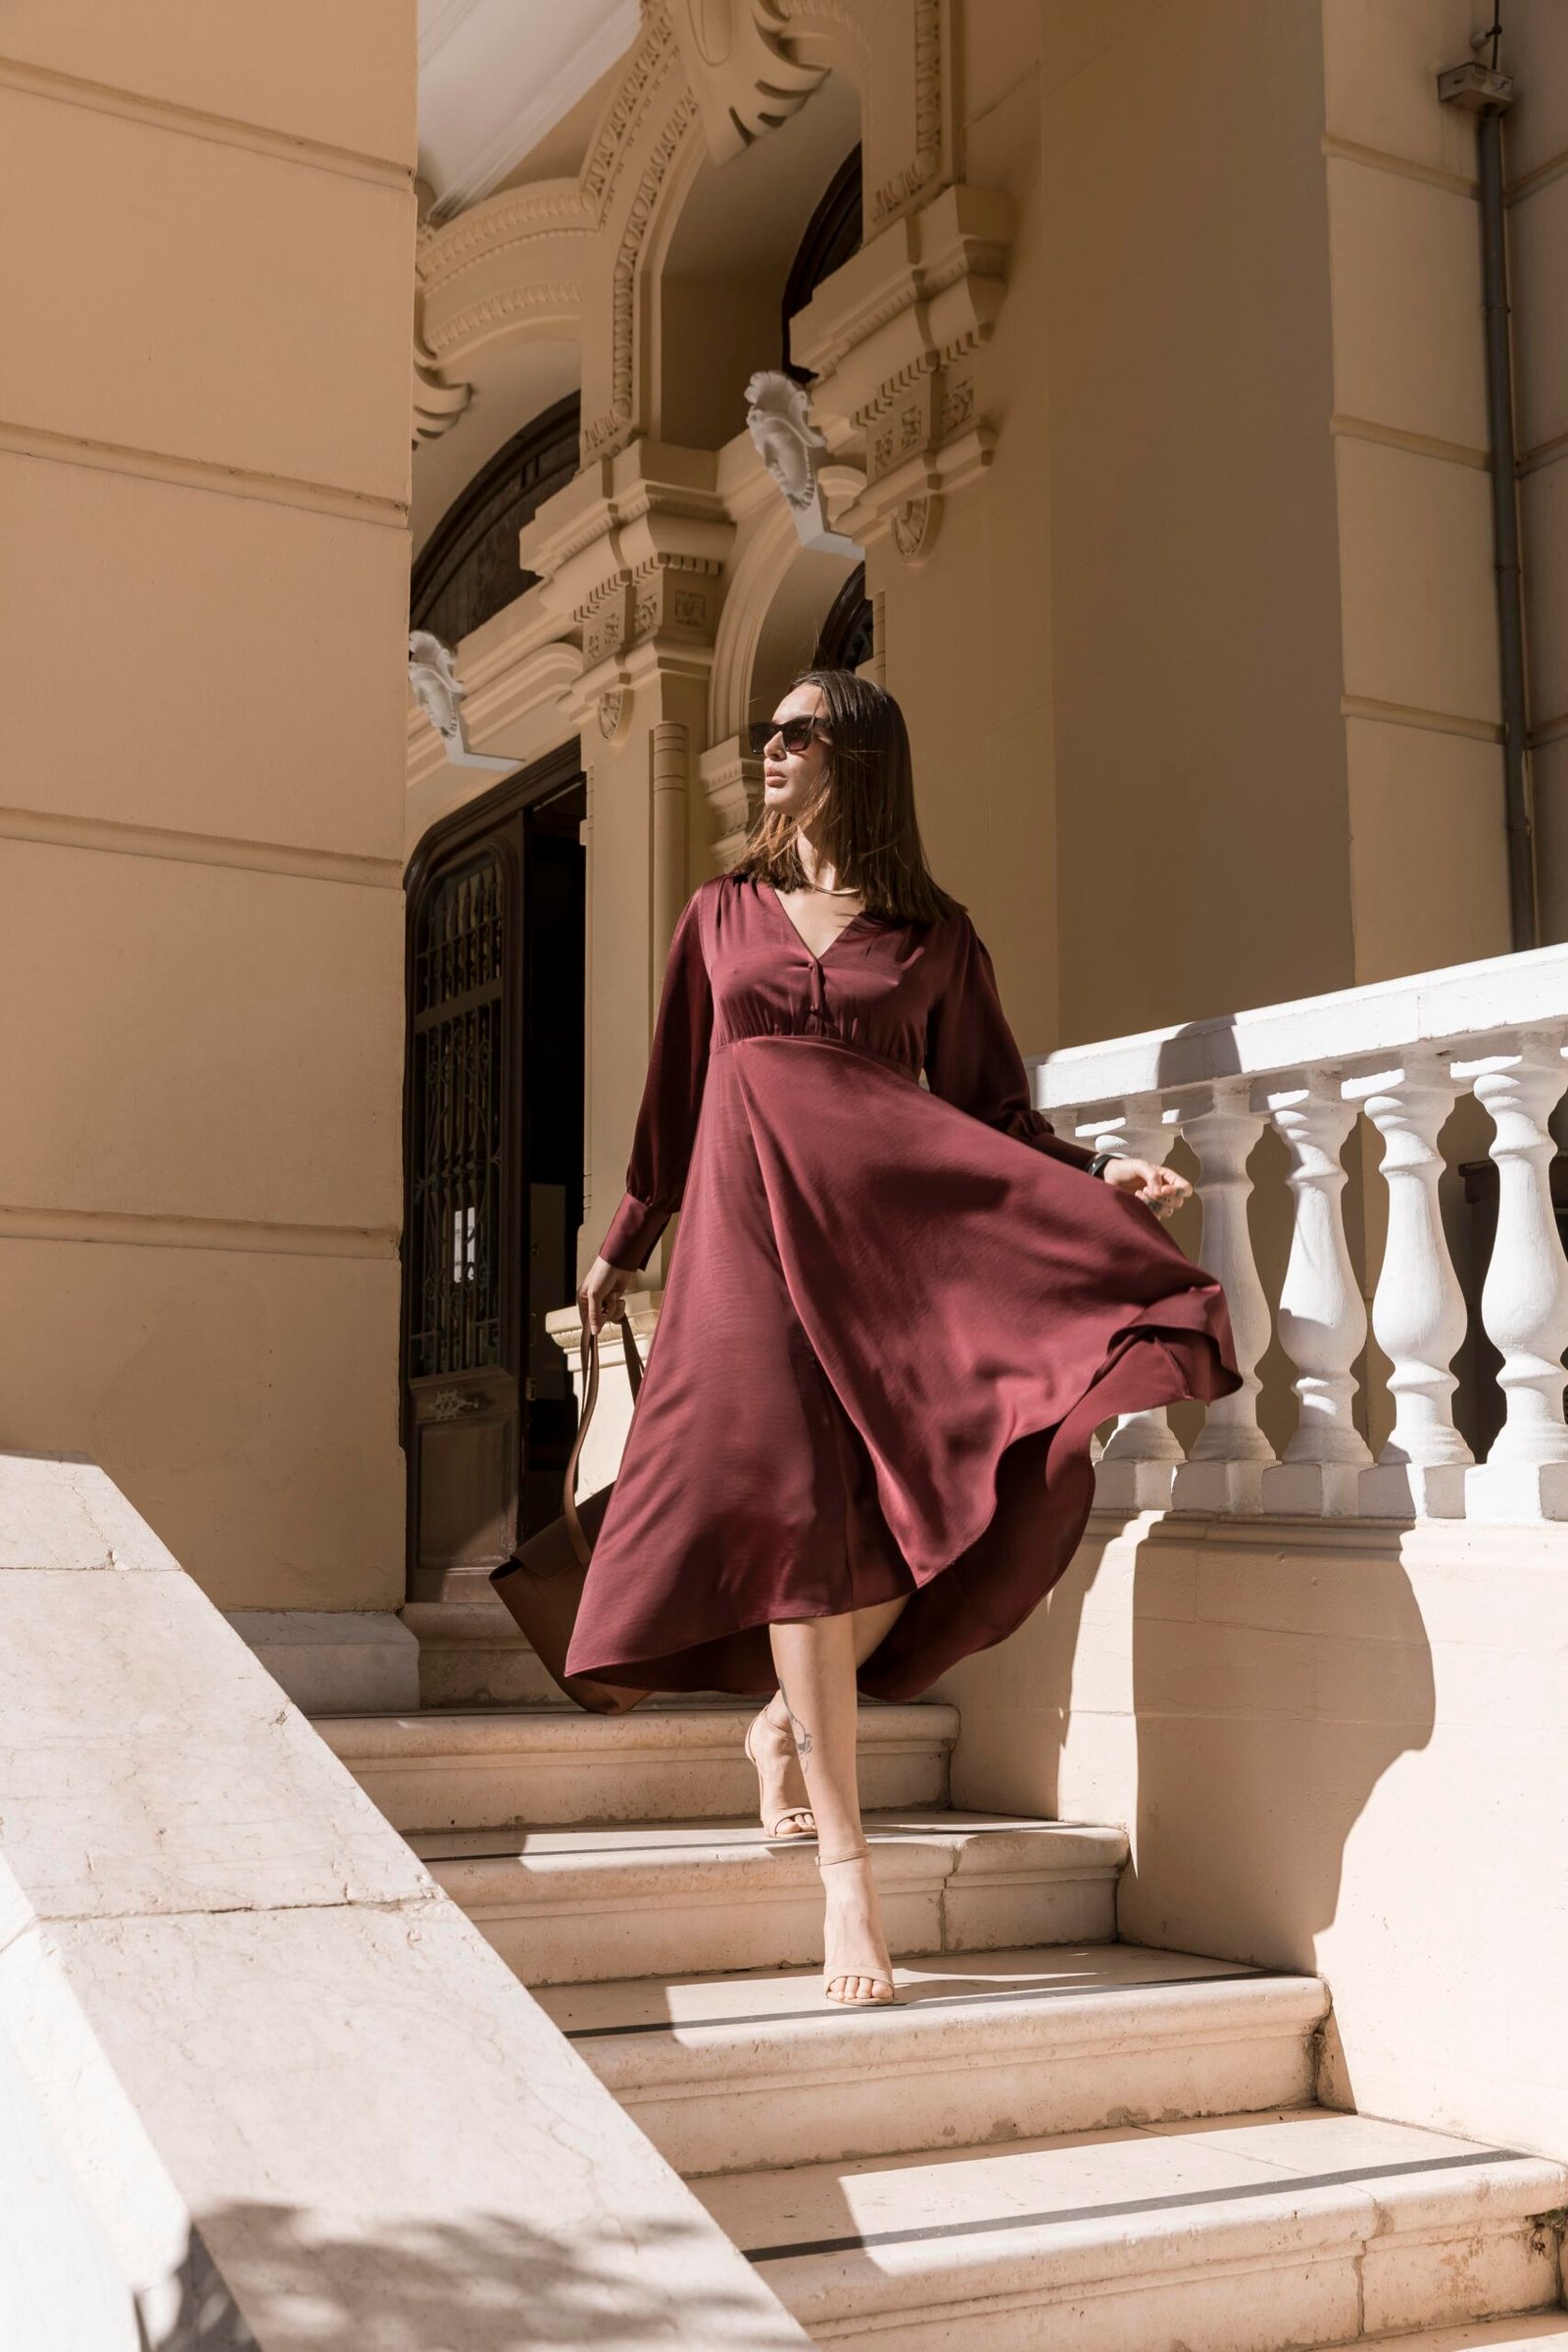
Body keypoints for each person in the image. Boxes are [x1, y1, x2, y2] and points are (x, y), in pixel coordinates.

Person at [570, 669, 1240, 2008]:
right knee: (802, 1530)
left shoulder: (932, 937)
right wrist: (622, 1246)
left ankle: (784, 1725)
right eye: (765, 734)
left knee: (953, 1495)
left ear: (859, 758)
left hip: (885, 1260)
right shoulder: (718, 916)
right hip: (747, 1251)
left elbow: (991, 1108)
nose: (768, 751)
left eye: (797, 734)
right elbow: (671, 1108)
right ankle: (850, 1891)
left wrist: (1095, 1171)